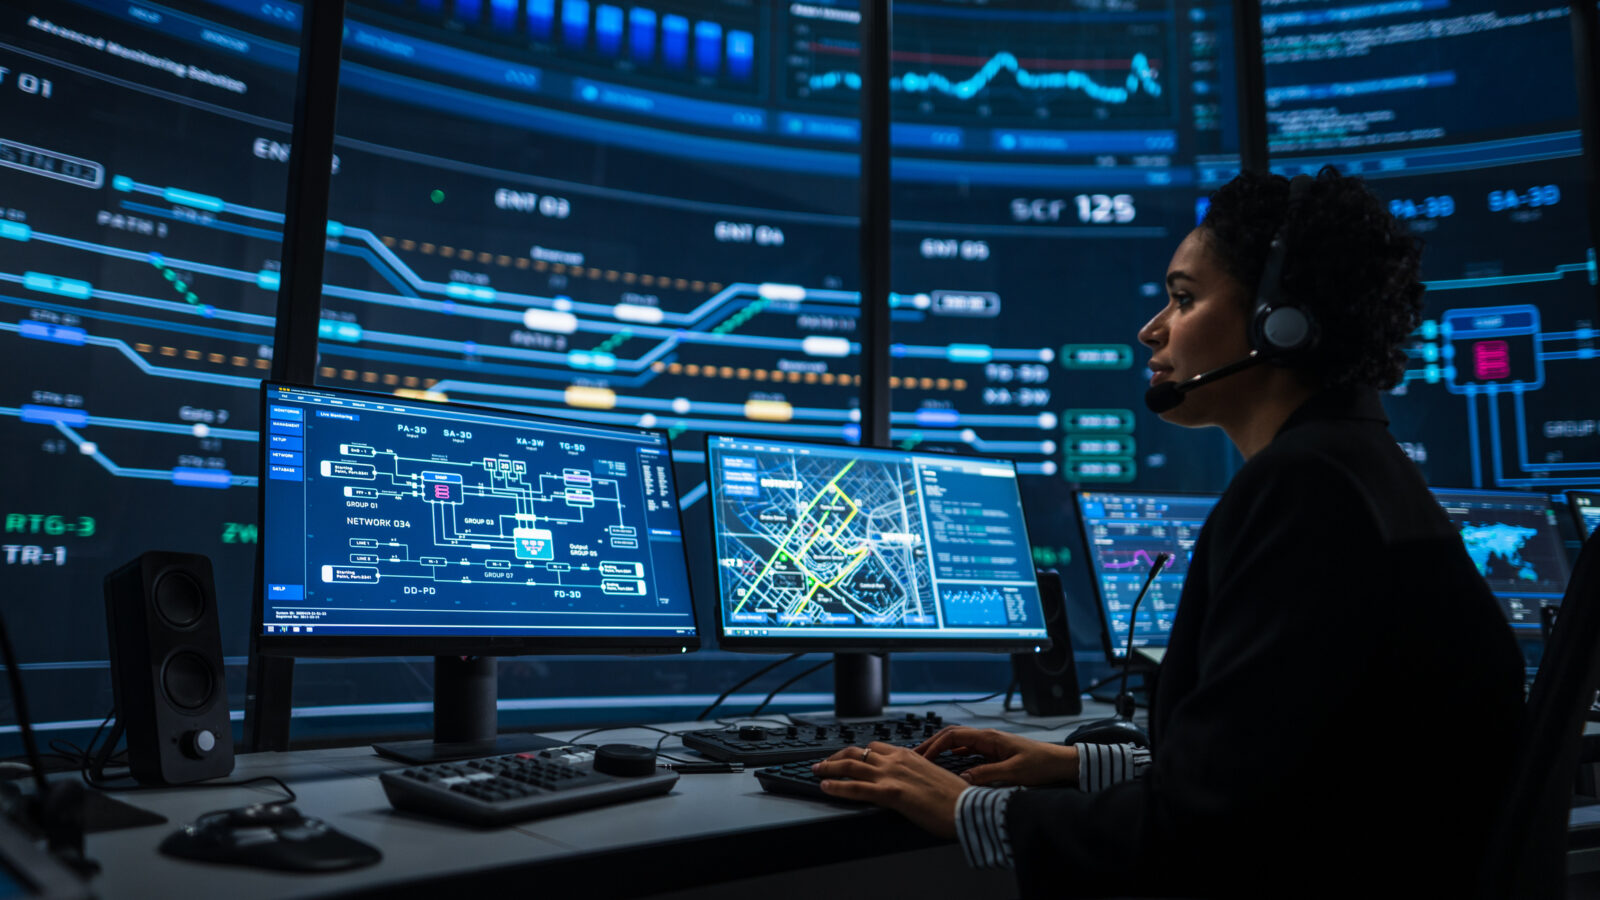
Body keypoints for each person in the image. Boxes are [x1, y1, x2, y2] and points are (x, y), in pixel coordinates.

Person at [811, 168, 1525, 897]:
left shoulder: (1303, 491)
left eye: (1184, 299)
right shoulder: (1363, 469)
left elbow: (1201, 836)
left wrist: (966, 805)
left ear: (1279, 322)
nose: (1152, 329)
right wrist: (1081, 764)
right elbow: (1291, 766)